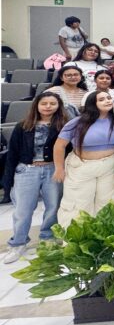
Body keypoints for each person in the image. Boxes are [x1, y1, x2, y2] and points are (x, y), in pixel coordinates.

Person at [2, 93, 67, 263]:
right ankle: (18, 243)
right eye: (44, 103)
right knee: (23, 209)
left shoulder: (63, 126)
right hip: (27, 170)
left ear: (58, 106)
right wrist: (8, 180)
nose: (48, 106)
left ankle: (47, 239)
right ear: (36, 105)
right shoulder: (23, 126)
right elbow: (12, 153)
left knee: (53, 207)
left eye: (52, 103)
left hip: (53, 169)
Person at [53, 91, 114, 227]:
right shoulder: (77, 122)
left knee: (109, 201)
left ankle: (107, 234)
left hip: (110, 165)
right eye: (101, 99)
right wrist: (59, 168)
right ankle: (75, 236)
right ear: (92, 104)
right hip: (81, 166)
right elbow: (59, 146)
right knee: (79, 202)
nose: (107, 101)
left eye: (109, 98)